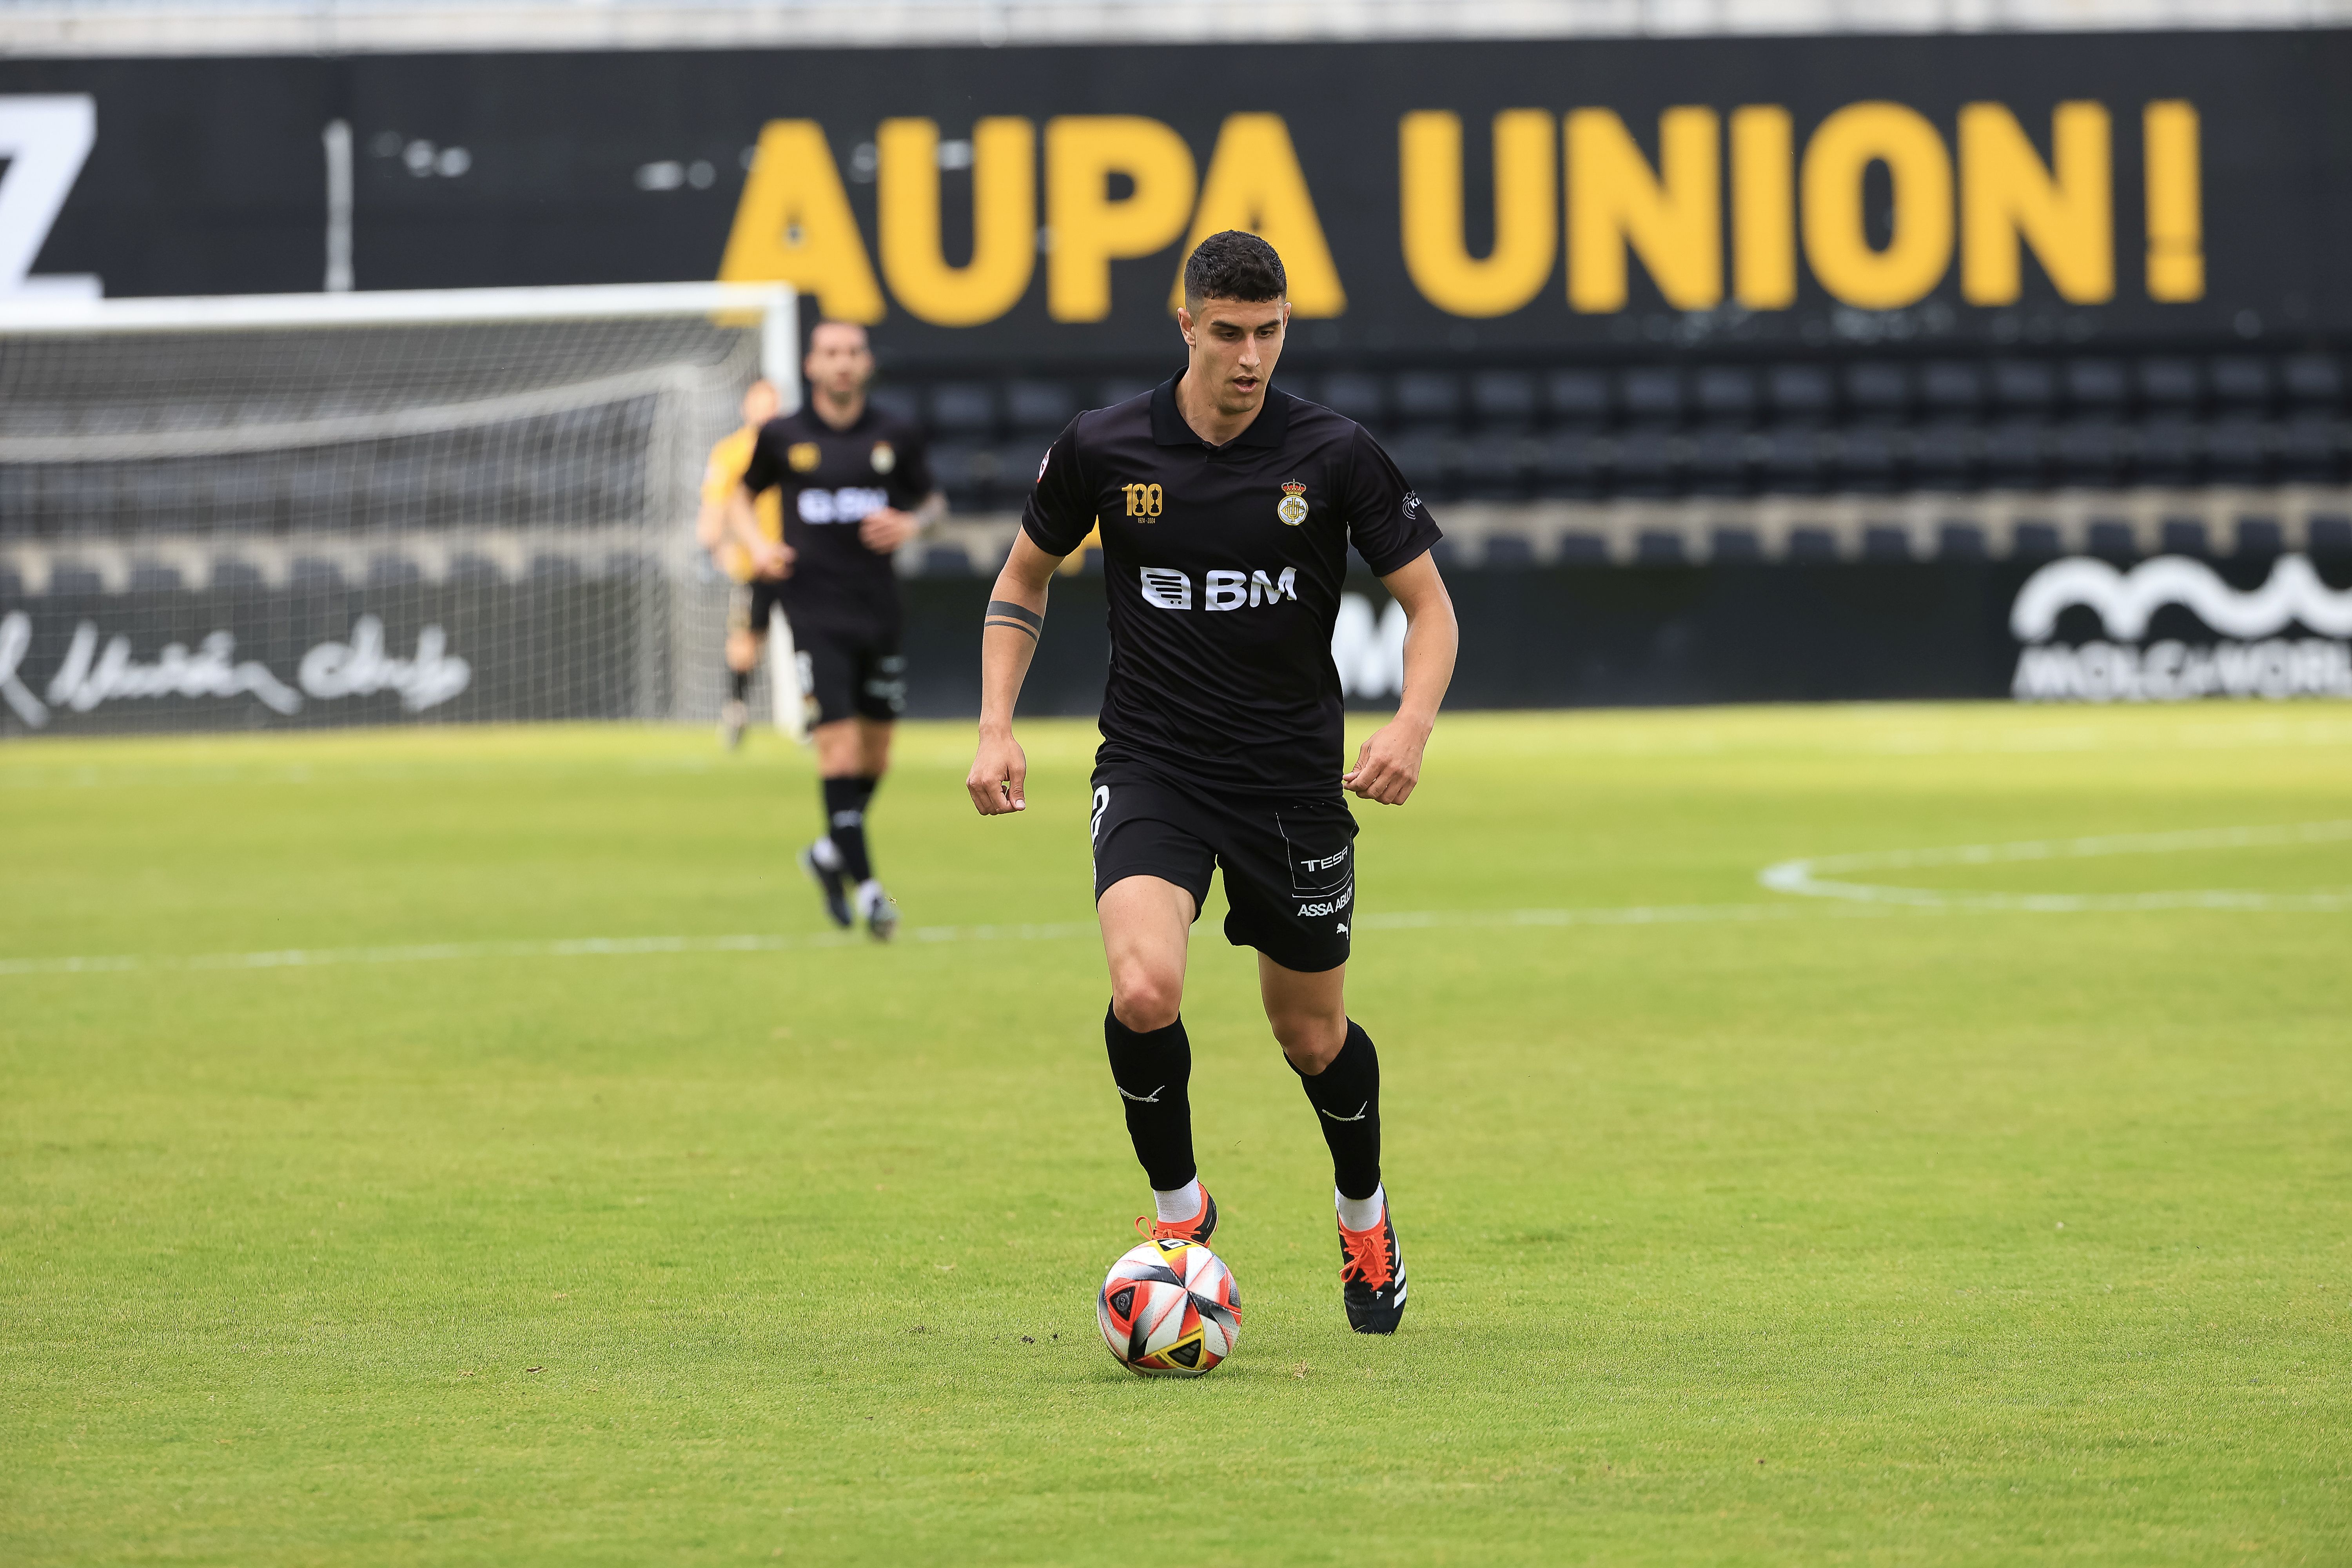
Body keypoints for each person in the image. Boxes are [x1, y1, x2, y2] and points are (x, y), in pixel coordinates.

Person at [964, 232, 1458, 1334]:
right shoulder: (1105, 446)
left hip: (1289, 784)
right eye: (1228, 333)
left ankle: (1363, 1214)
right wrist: (996, 726)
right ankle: (1179, 1216)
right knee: (1145, 990)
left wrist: (1412, 727)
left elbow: (1431, 607)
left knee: (1311, 1037)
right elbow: (1021, 580)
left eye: (1269, 332)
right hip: (1154, 764)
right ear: (1186, 325)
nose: (1250, 356)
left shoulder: (1335, 454)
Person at [733, 321, 945, 942]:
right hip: (812, 613)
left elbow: (934, 505)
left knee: (877, 754)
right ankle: (872, 891)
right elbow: (741, 500)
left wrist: (910, 525)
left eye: (852, 352)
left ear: (866, 362)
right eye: (831, 353)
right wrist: (757, 547)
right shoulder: (783, 435)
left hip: (878, 611)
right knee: (839, 749)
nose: (843, 363)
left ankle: (828, 854)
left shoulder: (894, 435)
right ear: (811, 365)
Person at [696, 378, 785, 751]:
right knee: (747, 638)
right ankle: (737, 710)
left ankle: (817, 715)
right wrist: (718, 548)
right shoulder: (730, 453)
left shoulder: (794, 446)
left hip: (798, 561)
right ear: (746, 407)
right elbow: (715, 507)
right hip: (754, 566)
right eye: (760, 403)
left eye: (772, 403)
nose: (767, 411)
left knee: (813, 636)